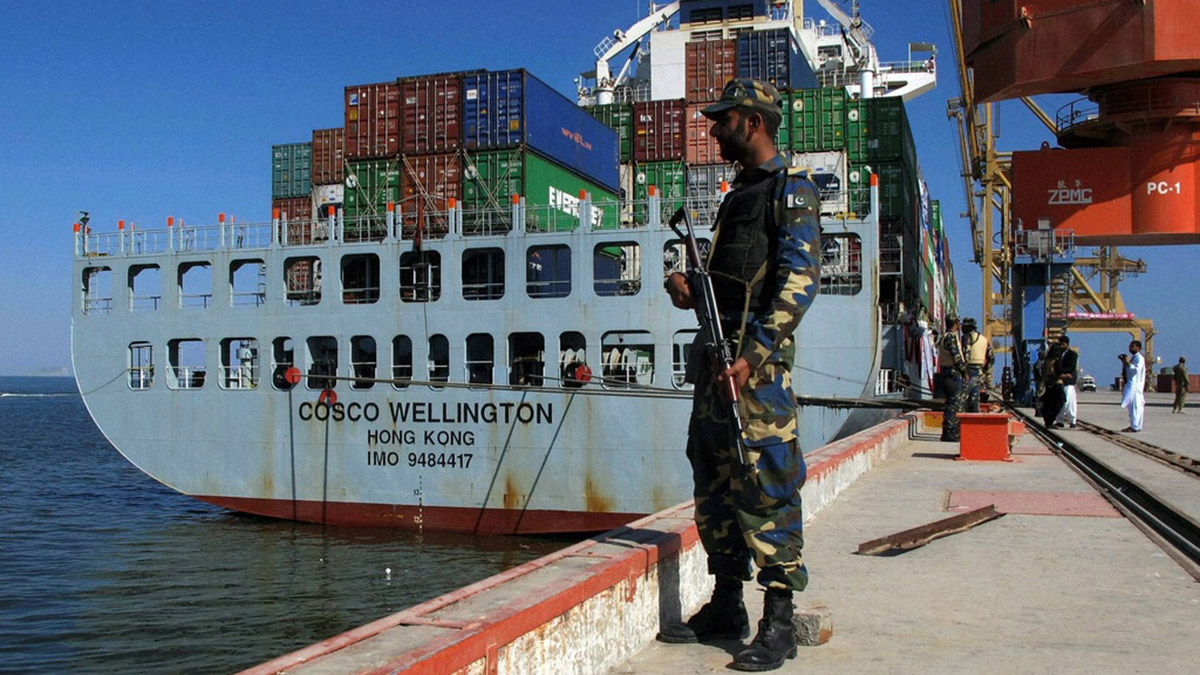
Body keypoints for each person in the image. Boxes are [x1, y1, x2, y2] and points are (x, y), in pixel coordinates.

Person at [659, 78, 821, 672]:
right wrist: (688, 289)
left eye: (722, 119)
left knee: (767, 480)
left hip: (756, 371)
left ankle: (778, 620)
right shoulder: (737, 197)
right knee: (714, 476)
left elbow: (799, 284)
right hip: (715, 359)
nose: (712, 129)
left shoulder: (790, 191)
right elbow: (730, 284)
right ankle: (727, 601)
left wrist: (751, 356)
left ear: (751, 122)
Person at [936, 316, 967, 441]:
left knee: (950, 403)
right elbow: (956, 356)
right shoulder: (951, 337)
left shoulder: (944, 336)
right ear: (955, 323)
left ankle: (948, 432)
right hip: (953, 373)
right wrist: (964, 371)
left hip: (946, 373)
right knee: (954, 404)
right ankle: (951, 433)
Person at [961, 317, 993, 413]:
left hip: (969, 368)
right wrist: (984, 370)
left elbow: (966, 352)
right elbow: (991, 358)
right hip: (979, 369)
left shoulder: (967, 337)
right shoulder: (984, 339)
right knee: (975, 394)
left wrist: (963, 368)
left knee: (964, 395)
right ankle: (974, 413)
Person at [1120, 340, 1146, 432]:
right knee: (1131, 406)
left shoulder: (1140, 358)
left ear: (1138, 348)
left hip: (1136, 386)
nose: (1130, 348)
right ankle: (1134, 425)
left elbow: (1136, 370)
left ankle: (1136, 426)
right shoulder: (1133, 358)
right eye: (1130, 346)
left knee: (1136, 406)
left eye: (1132, 346)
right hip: (1131, 385)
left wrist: (1128, 363)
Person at [1040, 340, 1066, 428]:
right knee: (1060, 401)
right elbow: (1059, 372)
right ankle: (1052, 419)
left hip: (1048, 383)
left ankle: (1048, 421)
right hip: (1056, 383)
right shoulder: (1056, 361)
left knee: (1048, 403)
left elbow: (1043, 372)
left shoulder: (1047, 360)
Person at [1055, 335, 1079, 428]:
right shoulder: (1058, 355)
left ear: (1067, 344)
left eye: (1063, 344)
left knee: (1069, 403)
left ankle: (1072, 420)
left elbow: (1071, 367)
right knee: (1060, 403)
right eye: (1060, 344)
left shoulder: (1072, 355)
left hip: (1068, 382)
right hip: (1060, 382)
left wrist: (1061, 372)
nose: (1061, 346)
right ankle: (1060, 420)